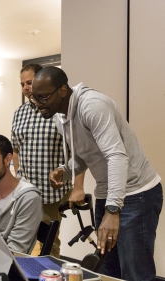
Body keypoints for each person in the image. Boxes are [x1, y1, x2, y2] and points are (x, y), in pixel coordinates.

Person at [31, 66, 162, 281]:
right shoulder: (59, 117)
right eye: (33, 98)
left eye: (43, 97)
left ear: (63, 90)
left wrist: (112, 210)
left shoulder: (92, 106)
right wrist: (65, 172)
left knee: (135, 273)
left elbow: (117, 156)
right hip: (109, 194)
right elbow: (87, 155)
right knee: (107, 270)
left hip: (138, 194)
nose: (37, 105)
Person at [11, 63, 86, 258]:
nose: (26, 88)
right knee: (20, 239)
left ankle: (49, 275)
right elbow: (16, 149)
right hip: (25, 191)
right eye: (22, 84)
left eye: (30, 82)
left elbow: (79, 152)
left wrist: (78, 187)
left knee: (49, 243)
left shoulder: (58, 112)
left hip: (52, 193)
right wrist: (18, 177)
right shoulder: (19, 113)